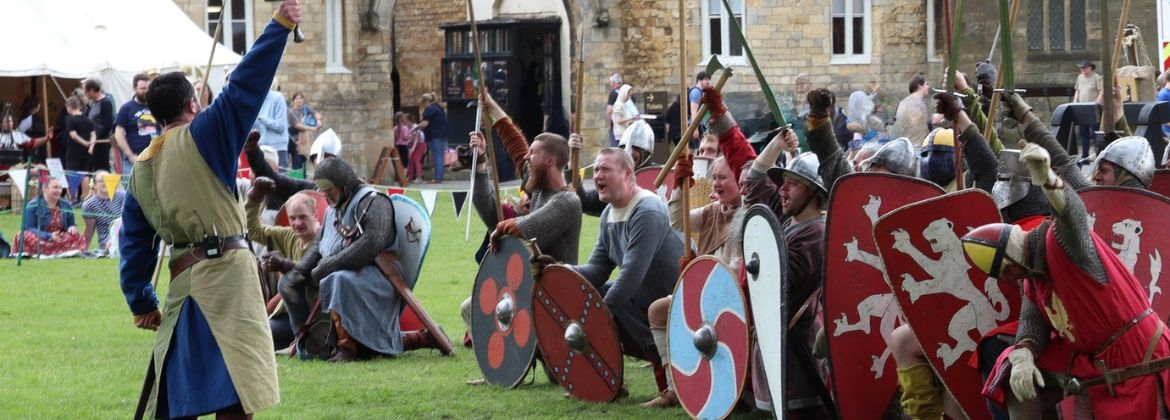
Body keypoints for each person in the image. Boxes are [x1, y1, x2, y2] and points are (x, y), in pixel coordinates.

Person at [117, 3, 302, 417]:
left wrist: (141, 300)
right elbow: (246, 85)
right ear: (192, 105)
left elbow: (134, 243)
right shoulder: (208, 132)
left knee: (183, 399)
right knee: (236, 397)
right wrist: (280, 25)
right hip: (229, 283)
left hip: (183, 287)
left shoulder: (140, 168)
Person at [960, 140, 1170, 419]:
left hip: (1139, 356)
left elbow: (1073, 214)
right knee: (1007, 365)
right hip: (1097, 362)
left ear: (1012, 255)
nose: (1012, 279)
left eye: (1008, 272)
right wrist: (1024, 350)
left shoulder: (1058, 242)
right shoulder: (1032, 277)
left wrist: (1049, 179)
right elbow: (1032, 321)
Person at [459, 88, 583, 369]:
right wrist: (481, 163)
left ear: (549, 161)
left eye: (533, 155)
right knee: (471, 307)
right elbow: (516, 145)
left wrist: (503, 226)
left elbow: (525, 227)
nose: (526, 159)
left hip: (552, 296)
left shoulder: (567, 201)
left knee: (486, 310)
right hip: (527, 287)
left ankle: (542, 353)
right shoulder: (538, 190)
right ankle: (509, 364)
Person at [278, 158, 440, 362]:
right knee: (289, 283)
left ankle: (347, 349)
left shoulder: (374, 202)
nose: (324, 194)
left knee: (337, 279)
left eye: (329, 189)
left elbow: (371, 244)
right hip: (349, 276)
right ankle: (311, 343)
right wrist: (301, 271)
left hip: (377, 279)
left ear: (344, 185)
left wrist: (330, 264)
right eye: (322, 189)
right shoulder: (332, 209)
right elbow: (320, 244)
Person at [569, 147, 685, 400]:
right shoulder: (609, 214)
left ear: (628, 173)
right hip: (643, 298)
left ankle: (671, 379)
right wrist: (560, 273)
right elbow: (597, 270)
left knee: (609, 296)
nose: (598, 175)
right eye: (596, 169)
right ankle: (607, 378)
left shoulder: (647, 210)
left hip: (677, 303)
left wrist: (596, 317)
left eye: (606, 169)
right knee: (597, 291)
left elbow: (631, 275)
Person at [642, 153, 748, 408]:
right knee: (658, 311)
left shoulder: (751, 215)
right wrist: (680, 187)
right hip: (704, 296)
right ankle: (674, 387)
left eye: (722, 177)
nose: (715, 184)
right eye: (713, 178)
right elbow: (678, 221)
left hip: (735, 300)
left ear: (740, 180)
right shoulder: (713, 212)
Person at [245, 177, 321, 351]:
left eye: (303, 217)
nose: (297, 223)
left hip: (314, 317)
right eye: (292, 218)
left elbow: (318, 275)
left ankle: (303, 344)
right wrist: (254, 199)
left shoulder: (326, 239)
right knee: (251, 331)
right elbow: (255, 231)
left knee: (257, 335)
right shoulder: (289, 236)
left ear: (315, 215)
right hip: (286, 313)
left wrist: (285, 265)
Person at [14, 177, 86, 257]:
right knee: (22, 235)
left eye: (60, 188)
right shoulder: (33, 205)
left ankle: (53, 251)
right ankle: (58, 251)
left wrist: (71, 227)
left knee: (78, 236)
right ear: (45, 189)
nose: (58, 190)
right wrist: (49, 236)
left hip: (60, 238)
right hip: (40, 237)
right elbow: (28, 228)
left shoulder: (66, 205)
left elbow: (71, 224)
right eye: (55, 187)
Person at [113, 73, 159, 172]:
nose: (146, 91)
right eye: (143, 88)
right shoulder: (126, 108)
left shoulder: (156, 105)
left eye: (148, 88)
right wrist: (130, 156)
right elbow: (119, 134)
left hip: (156, 159)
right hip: (134, 161)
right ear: (134, 88)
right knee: (134, 187)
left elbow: (163, 129)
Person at [81, 170, 125, 255]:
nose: (105, 182)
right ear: (94, 185)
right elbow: (89, 231)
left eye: (108, 179)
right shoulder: (89, 204)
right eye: (102, 181)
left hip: (125, 235)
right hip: (107, 243)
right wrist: (82, 250)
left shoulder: (123, 196)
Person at [414, 93, 450, 183]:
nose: (423, 106)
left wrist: (414, 129)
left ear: (426, 101)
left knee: (437, 156)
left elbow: (425, 123)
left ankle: (437, 178)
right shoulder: (438, 107)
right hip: (443, 134)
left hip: (435, 135)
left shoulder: (430, 109)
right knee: (440, 156)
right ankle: (439, 177)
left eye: (423, 103)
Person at [254, 82, 290, 171]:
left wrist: (261, 118)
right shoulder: (254, 100)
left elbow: (280, 126)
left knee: (280, 182)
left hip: (278, 149)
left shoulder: (277, 97)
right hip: (260, 148)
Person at [891, 73, 932, 147]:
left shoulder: (905, 101)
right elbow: (917, 127)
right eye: (926, 84)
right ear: (919, 86)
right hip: (915, 146)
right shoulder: (916, 103)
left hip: (906, 144)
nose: (928, 87)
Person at [1072, 59, 1103, 157]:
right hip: (1082, 108)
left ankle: (1098, 155)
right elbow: (1077, 90)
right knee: (1083, 133)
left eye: (1084, 67)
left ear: (1090, 68)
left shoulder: (1096, 77)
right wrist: (1075, 101)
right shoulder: (1080, 78)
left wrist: (1097, 101)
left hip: (1093, 108)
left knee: (1095, 132)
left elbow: (1101, 91)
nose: (1082, 70)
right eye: (1081, 68)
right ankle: (1085, 156)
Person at [83, 77, 115, 172]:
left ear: (92, 90)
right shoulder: (93, 103)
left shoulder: (105, 103)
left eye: (86, 92)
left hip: (102, 143)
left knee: (103, 169)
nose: (85, 95)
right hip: (94, 142)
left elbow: (107, 125)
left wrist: (96, 138)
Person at [289, 92, 320, 169]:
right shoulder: (291, 112)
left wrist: (318, 120)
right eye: (297, 99)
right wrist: (312, 128)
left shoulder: (306, 109)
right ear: (294, 101)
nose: (299, 100)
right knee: (297, 160)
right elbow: (297, 126)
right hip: (295, 140)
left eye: (300, 98)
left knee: (304, 160)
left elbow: (316, 114)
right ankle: (296, 179)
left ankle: (302, 178)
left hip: (305, 139)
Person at [63, 96, 95, 172]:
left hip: (73, 153)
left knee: (72, 175)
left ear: (70, 107)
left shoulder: (70, 120)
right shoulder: (88, 120)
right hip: (85, 153)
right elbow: (93, 135)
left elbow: (73, 135)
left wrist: (85, 143)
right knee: (85, 175)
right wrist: (91, 147)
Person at [404, 113, 426, 182]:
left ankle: (419, 177)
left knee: (416, 159)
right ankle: (410, 177)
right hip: (413, 144)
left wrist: (412, 149)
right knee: (410, 159)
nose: (405, 123)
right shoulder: (407, 128)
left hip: (420, 143)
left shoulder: (415, 127)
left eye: (406, 121)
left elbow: (417, 139)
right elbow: (410, 138)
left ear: (409, 121)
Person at [606, 73, 623, 147]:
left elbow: (609, 111)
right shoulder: (628, 93)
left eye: (610, 82)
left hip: (616, 127)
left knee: (616, 150)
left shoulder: (613, 94)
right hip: (627, 125)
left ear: (613, 83)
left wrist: (609, 126)